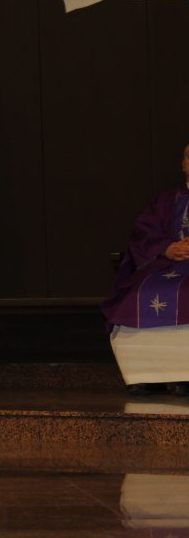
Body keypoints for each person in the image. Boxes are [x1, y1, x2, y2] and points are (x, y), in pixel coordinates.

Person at [101, 142, 189, 396]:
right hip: (166, 265)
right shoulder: (165, 201)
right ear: (183, 164)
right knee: (134, 295)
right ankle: (146, 375)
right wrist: (166, 247)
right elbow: (143, 233)